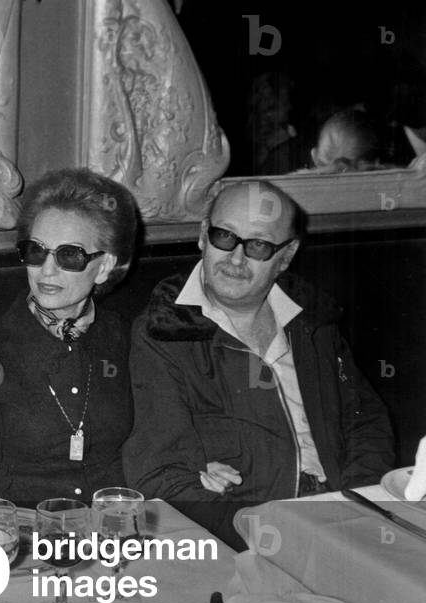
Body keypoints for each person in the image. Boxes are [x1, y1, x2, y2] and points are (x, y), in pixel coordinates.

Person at [123, 181, 394, 548]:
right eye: (224, 236)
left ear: (286, 255)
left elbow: (366, 424)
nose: (235, 259)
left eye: (258, 245)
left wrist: (352, 511)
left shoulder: (312, 322)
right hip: (247, 532)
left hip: (340, 517)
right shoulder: (165, 333)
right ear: (203, 235)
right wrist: (270, 538)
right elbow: (161, 476)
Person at [0, 168, 136, 505]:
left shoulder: (123, 338)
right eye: (36, 251)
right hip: (22, 532)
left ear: (106, 265)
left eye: (70, 255)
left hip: (112, 529)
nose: (47, 270)